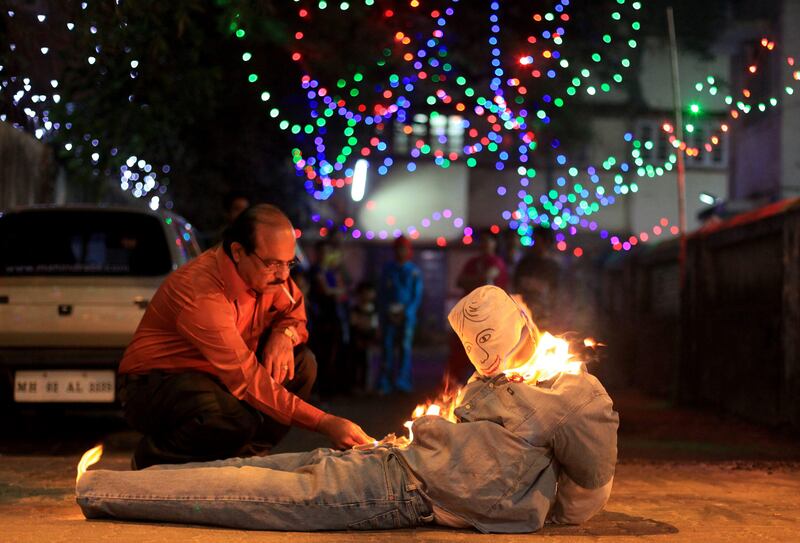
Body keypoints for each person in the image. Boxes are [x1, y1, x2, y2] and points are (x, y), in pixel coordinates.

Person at [77, 285, 619, 533]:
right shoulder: (490, 377)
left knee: (252, 493)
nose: (486, 364)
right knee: (252, 470)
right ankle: (115, 484)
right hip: (392, 462)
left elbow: (589, 487)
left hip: (404, 493)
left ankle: (99, 491)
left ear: (526, 326)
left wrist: (533, 505)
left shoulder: (573, 394)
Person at [117, 204, 372, 469]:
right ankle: (154, 457)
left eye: (289, 263)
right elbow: (246, 379)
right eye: (273, 263)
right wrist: (326, 422)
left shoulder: (271, 277)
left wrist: (283, 335)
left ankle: (248, 455)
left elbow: (295, 315)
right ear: (238, 252)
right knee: (231, 416)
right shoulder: (202, 292)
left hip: (218, 377)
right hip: (154, 385)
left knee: (302, 365)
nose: (284, 275)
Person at [376, 236, 424, 394]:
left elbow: (416, 296)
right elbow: (381, 293)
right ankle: (385, 382)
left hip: (406, 316)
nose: (400, 252)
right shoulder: (387, 269)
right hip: (388, 314)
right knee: (387, 348)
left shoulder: (413, 271)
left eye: (403, 248)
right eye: (398, 248)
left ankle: (403, 382)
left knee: (405, 348)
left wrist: (406, 312)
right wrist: (386, 311)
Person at [348, 280, 379, 394]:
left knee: (368, 363)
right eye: (365, 293)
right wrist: (357, 339)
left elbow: (375, 326)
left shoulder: (373, 309)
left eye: (370, 292)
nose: (367, 295)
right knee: (357, 363)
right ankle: (356, 386)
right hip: (358, 339)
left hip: (368, 340)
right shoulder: (356, 309)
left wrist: (373, 339)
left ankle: (367, 386)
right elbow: (353, 325)